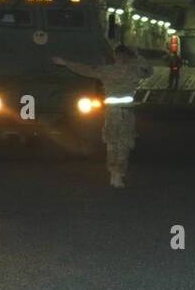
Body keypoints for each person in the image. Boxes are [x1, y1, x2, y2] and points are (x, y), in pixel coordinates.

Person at [52, 45, 150, 188]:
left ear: (115, 56)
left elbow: (85, 70)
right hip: (127, 113)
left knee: (112, 143)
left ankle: (113, 174)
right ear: (128, 57)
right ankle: (119, 174)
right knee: (125, 143)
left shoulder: (106, 71)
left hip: (112, 113)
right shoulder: (134, 71)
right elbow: (149, 71)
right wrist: (138, 56)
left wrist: (66, 63)